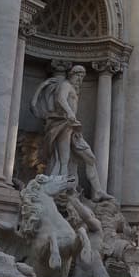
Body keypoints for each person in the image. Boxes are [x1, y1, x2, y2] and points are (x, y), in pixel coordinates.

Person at [31, 65, 110, 201]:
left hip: (72, 127)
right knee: (64, 160)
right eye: (78, 76)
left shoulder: (73, 88)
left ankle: (97, 191)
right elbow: (61, 99)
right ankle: (63, 191)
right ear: (72, 74)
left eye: (82, 77)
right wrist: (69, 113)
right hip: (62, 124)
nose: (80, 79)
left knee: (90, 158)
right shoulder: (66, 85)